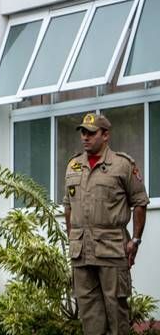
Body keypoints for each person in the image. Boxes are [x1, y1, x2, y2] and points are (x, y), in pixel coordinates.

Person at [64, 112, 148, 335]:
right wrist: (72, 238)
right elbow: (68, 207)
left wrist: (136, 240)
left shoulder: (122, 165)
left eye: (91, 133)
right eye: (83, 132)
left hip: (112, 248)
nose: (85, 137)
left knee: (116, 309)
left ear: (105, 135)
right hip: (81, 251)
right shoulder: (73, 166)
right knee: (89, 311)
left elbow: (140, 202)